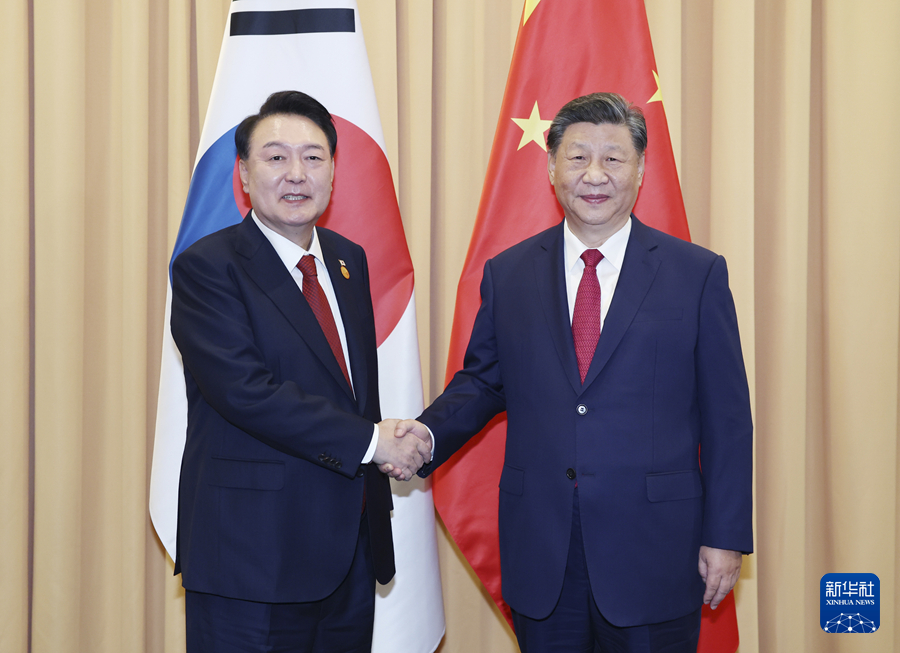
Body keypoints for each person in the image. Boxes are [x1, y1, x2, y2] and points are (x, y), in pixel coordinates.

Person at [393, 93, 753, 652]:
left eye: (613, 158)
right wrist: (425, 434)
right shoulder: (509, 273)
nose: (595, 174)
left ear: (640, 170)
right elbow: (483, 381)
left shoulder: (696, 274)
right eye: (579, 156)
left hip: (656, 552)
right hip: (544, 550)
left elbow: (727, 418)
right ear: (551, 167)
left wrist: (725, 536)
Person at [170, 90, 430, 652]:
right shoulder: (206, 268)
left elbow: (351, 392)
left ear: (333, 172)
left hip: (348, 554)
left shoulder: (348, 259)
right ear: (244, 174)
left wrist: (386, 441)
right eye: (276, 157)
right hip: (250, 559)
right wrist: (374, 442)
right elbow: (246, 393)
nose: (296, 173)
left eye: (313, 157)